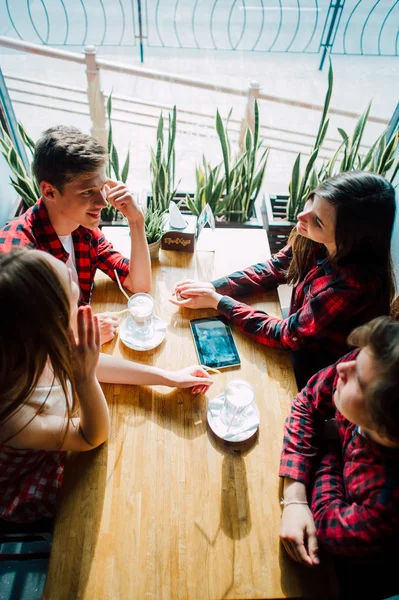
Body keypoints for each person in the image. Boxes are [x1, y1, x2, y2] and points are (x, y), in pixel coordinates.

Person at [0, 249, 212, 522]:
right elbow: (91, 437)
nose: (75, 282)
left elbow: (95, 365)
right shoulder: (13, 416)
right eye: (73, 299)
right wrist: (85, 378)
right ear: (52, 326)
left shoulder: (30, 343)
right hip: (33, 473)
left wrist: (167, 376)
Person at [170, 172, 396, 389]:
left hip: (316, 367)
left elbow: (286, 335)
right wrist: (214, 287)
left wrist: (219, 301)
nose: (301, 216)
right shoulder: (315, 237)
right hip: (298, 329)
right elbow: (277, 266)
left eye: (317, 220)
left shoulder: (352, 287)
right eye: (312, 201)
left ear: (347, 239)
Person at [279, 316, 399, 598]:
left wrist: (327, 441)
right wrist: (295, 495)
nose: (343, 365)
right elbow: (307, 400)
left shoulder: (387, 504)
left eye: (359, 377)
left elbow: (324, 523)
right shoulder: (371, 363)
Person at [0, 125, 151, 345]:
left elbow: (139, 284)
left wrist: (136, 221)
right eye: (87, 192)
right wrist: (78, 336)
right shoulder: (17, 256)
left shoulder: (83, 229)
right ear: (49, 191)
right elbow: (22, 347)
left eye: (102, 187)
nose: (103, 202)